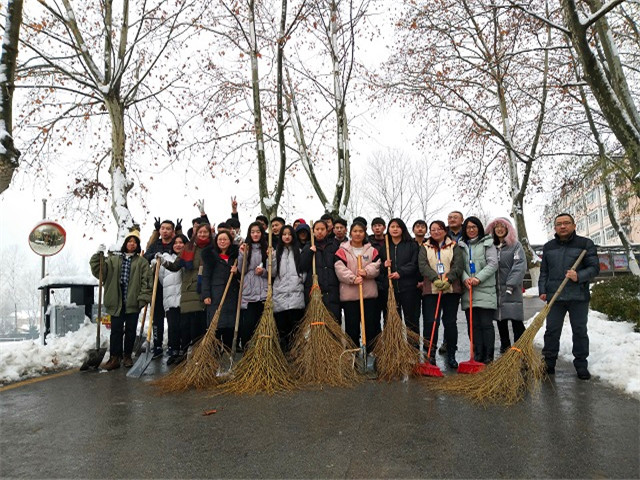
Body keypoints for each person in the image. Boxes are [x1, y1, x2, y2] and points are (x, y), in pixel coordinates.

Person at [539, 213, 599, 380]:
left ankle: (581, 365)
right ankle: (548, 363)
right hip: (555, 297)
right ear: (555, 228)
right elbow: (544, 271)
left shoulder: (585, 244)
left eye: (566, 223)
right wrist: (542, 289)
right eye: (559, 224)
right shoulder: (549, 247)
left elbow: (594, 268)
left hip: (578, 296)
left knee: (579, 331)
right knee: (551, 330)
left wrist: (578, 275)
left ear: (574, 225)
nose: (563, 226)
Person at [90, 230, 152, 370]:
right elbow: (100, 272)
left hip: (133, 301)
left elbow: (147, 282)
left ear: (138, 245)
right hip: (116, 301)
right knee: (116, 331)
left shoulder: (142, 262)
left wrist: (142, 300)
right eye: (130, 241)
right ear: (125, 244)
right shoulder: (113, 260)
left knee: (130, 331)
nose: (132, 244)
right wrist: (98, 256)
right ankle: (115, 358)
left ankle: (127, 356)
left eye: (135, 242)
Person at [418, 220, 464, 368]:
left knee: (450, 322)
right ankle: (429, 354)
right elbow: (422, 265)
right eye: (433, 229)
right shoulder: (425, 246)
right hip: (431, 290)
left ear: (445, 231)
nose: (436, 232)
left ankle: (451, 354)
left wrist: (449, 279)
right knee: (431, 322)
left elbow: (458, 265)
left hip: (450, 290)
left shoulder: (454, 246)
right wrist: (435, 279)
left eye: (439, 229)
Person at [162, 223, 210, 359]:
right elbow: (175, 266)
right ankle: (186, 357)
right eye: (200, 232)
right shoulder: (188, 248)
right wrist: (164, 262)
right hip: (189, 291)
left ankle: (201, 357)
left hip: (205, 289)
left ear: (209, 234)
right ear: (195, 234)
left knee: (201, 325)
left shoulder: (212, 249)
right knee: (187, 326)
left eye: (205, 232)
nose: (202, 234)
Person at [335, 222, 382, 348]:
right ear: (350, 233)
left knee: (370, 325)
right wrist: (353, 278)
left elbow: (377, 265)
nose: (358, 234)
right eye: (355, 231)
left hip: (368, 295)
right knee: (352, 327)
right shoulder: (342, 251)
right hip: (350, 296)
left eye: (361, 231)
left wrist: (366, 272)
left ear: (365, 233)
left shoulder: (371, 250)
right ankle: (353, 351)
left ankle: (371, 351)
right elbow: (339, 268)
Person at [459, 216, 498, 363]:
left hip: (485, 289)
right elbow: (458, 265)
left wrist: (478, 278)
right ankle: (478, 353)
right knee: (473, 325)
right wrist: (465, 278)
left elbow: (493, 264)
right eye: (468, 227)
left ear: (479, 228)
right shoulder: (461, 245)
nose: (471, 230)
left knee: (486, 324)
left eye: (474, 227)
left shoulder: (488, 243)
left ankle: (488, 355)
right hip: (468, 290)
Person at [486, 217, 527, 354]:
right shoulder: (490, 246)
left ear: (508, 228)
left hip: (512, 289)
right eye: (496, 226)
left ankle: (520, 348)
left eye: (502, 226)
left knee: (516, 320)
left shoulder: (515, 245)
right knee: (500, 319)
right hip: (495, 289)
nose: (499, 229)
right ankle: (505, 347)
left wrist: (511, 284)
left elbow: (519, 266)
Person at [144, 219, 178, 358]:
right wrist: (153, 257)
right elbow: (145, 256)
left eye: (168, 229)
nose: (165, 231)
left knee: (172, 316)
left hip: (172, 285)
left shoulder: (175, 243)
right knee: (156, 315)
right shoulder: (155, 245)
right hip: (157, 285)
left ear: (173, 231)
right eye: (163, 228)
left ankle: (172, 344)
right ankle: (157, 344)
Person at [380, 219, 420, 335]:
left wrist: (401, 272)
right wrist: (384, 265)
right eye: (392, 227)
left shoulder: (412, 245)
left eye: (398, 226)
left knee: (411, 320)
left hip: (409, 288)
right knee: (393, 321)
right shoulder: (385, 247)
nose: (395, 229)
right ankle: (395, 344)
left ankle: (413, 344)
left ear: (403, 229)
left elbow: (414, 264)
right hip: (391, 289)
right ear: (388, 229)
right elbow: (379, 268)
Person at [201, 231, 240, 350]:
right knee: (216, 325)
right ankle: (215, 353)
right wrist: (206, 295)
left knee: (230, 326)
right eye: (220, 239)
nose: (222, 242)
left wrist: (237, 272)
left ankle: (228, 352)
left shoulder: (235, 256)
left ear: (230, 241)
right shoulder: (211, 257)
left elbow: (242, 275)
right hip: (215, 295)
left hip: (232, 295)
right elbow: (205, 277)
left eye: (225, 239)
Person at [154, 234, 187, 364]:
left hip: (184, 298)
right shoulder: (165, 258)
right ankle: (173, 351)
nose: (178, 245)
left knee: (184, 326)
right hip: (170, 297)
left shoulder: (188, 257)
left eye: (181, 242)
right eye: (176, 243)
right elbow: (161, 278)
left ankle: (183, 351)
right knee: (173, 326)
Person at [272, 225, 306, 352]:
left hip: (296, 296)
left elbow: (304, 270)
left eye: (289, 234)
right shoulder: (276, 253)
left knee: (296, 330)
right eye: (284, 234)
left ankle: (295, 355)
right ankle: (284, 356)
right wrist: (272, 258)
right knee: (282, 330)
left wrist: (299, 280)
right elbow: (272, 273)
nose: (287, 236)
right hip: (280, 296)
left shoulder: (299, 252)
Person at [300, 220, 341, 323]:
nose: (319, 232)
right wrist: (310, 252)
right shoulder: (308, 246)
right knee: (316, 322)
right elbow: (302, 266)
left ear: (327, 231)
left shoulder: (334, 245)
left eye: (322, 229)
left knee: (334, 320)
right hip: (315, 288)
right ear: (313, 231)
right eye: (317, 229)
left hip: (332, 289)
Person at [238, 222, 269, 349]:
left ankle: (262, 351)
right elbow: (242, 270)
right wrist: (242, 254)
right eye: (252, 232)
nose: (255, 234)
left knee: (263, 324)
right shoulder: (245, 247)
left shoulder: (267, 248)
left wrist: (264, 272)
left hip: (264, 291)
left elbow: (273, 272)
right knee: (248, 324)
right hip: (249, 291)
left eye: (258, 232)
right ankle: (247, 351)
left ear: (262, 233)